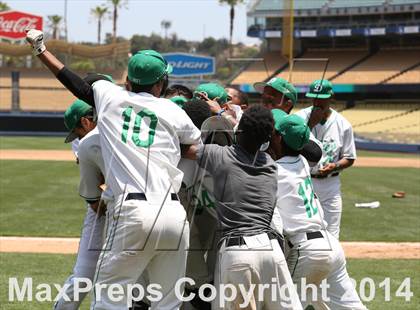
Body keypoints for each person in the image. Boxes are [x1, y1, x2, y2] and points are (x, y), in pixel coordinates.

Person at [26, 29, 201, 309]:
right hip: (173, 213)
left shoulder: (111, 97)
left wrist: (41, 50)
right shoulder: (174, 110)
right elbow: (195, 149)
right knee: (168, 302)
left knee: (110, 300)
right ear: (161, 82)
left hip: (133, 211)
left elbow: (73, 82)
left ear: (128, 80)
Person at [184, 105, 302, 310]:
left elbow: (186, 150)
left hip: (237, 250)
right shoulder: (271, 164)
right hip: (271, 250)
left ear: (240, 132)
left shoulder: (220, 156)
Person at [270, 111, 366, 310]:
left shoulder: (274, 171)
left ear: (279, 138)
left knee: (284, 306)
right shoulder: (303, 163)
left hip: (305, 249)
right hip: (330, 245)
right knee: (351, 307)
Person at [54, 99, 109, 310]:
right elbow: (95, 194)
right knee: (85, 272)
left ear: (85, 122)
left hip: (121, 208)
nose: (78, 139)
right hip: (104, 206)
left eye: (77, 132)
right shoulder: (86, 142)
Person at [295, 79, 356, 239]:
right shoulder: (300, 118)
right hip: (304, 181)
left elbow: (349, 158)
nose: (317, 101)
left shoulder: (343, 124)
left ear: (331, 97)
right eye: (314, 97)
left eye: (321, 97)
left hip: (331, 185)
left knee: (332, 234)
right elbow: (290, 146)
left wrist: (335, 166)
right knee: (303, 234)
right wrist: (309, 124)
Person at [254, 77, 322, 166]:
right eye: (263, 98)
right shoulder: (256, 122)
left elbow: (314, 155)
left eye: (270, 99)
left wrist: (289, 135)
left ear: (287, 104)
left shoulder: (294, 126)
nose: (264, 103)